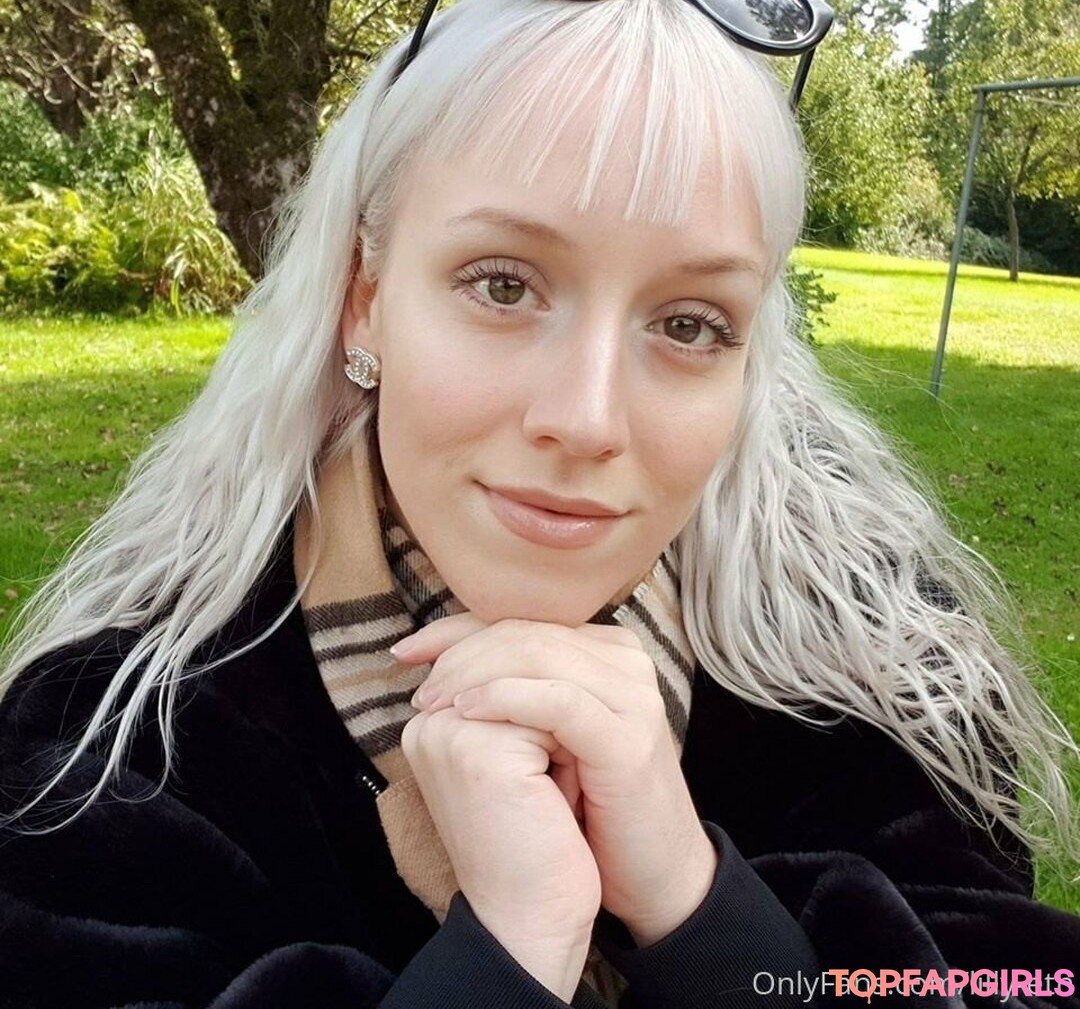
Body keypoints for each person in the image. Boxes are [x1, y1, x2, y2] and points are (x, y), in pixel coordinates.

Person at [1, 0, 1079, 1006]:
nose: (588, 418)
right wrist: (509, 946)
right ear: (363, 300)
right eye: (504, 284)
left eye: (690, 323)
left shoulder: (873, 674)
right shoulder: (121, 752)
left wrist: (698, 903)